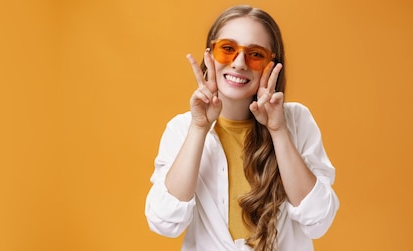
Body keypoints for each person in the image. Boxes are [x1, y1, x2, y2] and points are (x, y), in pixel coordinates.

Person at [144, 5, 339, 251]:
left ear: (272, 65)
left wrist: (278, 132)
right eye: (227, 49)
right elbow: (164, 222)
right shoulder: (182, 129)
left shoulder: (296, 121)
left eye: (255, 54)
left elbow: (318, 221)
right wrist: (199, 128)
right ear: (210, 55)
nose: (239, 63)